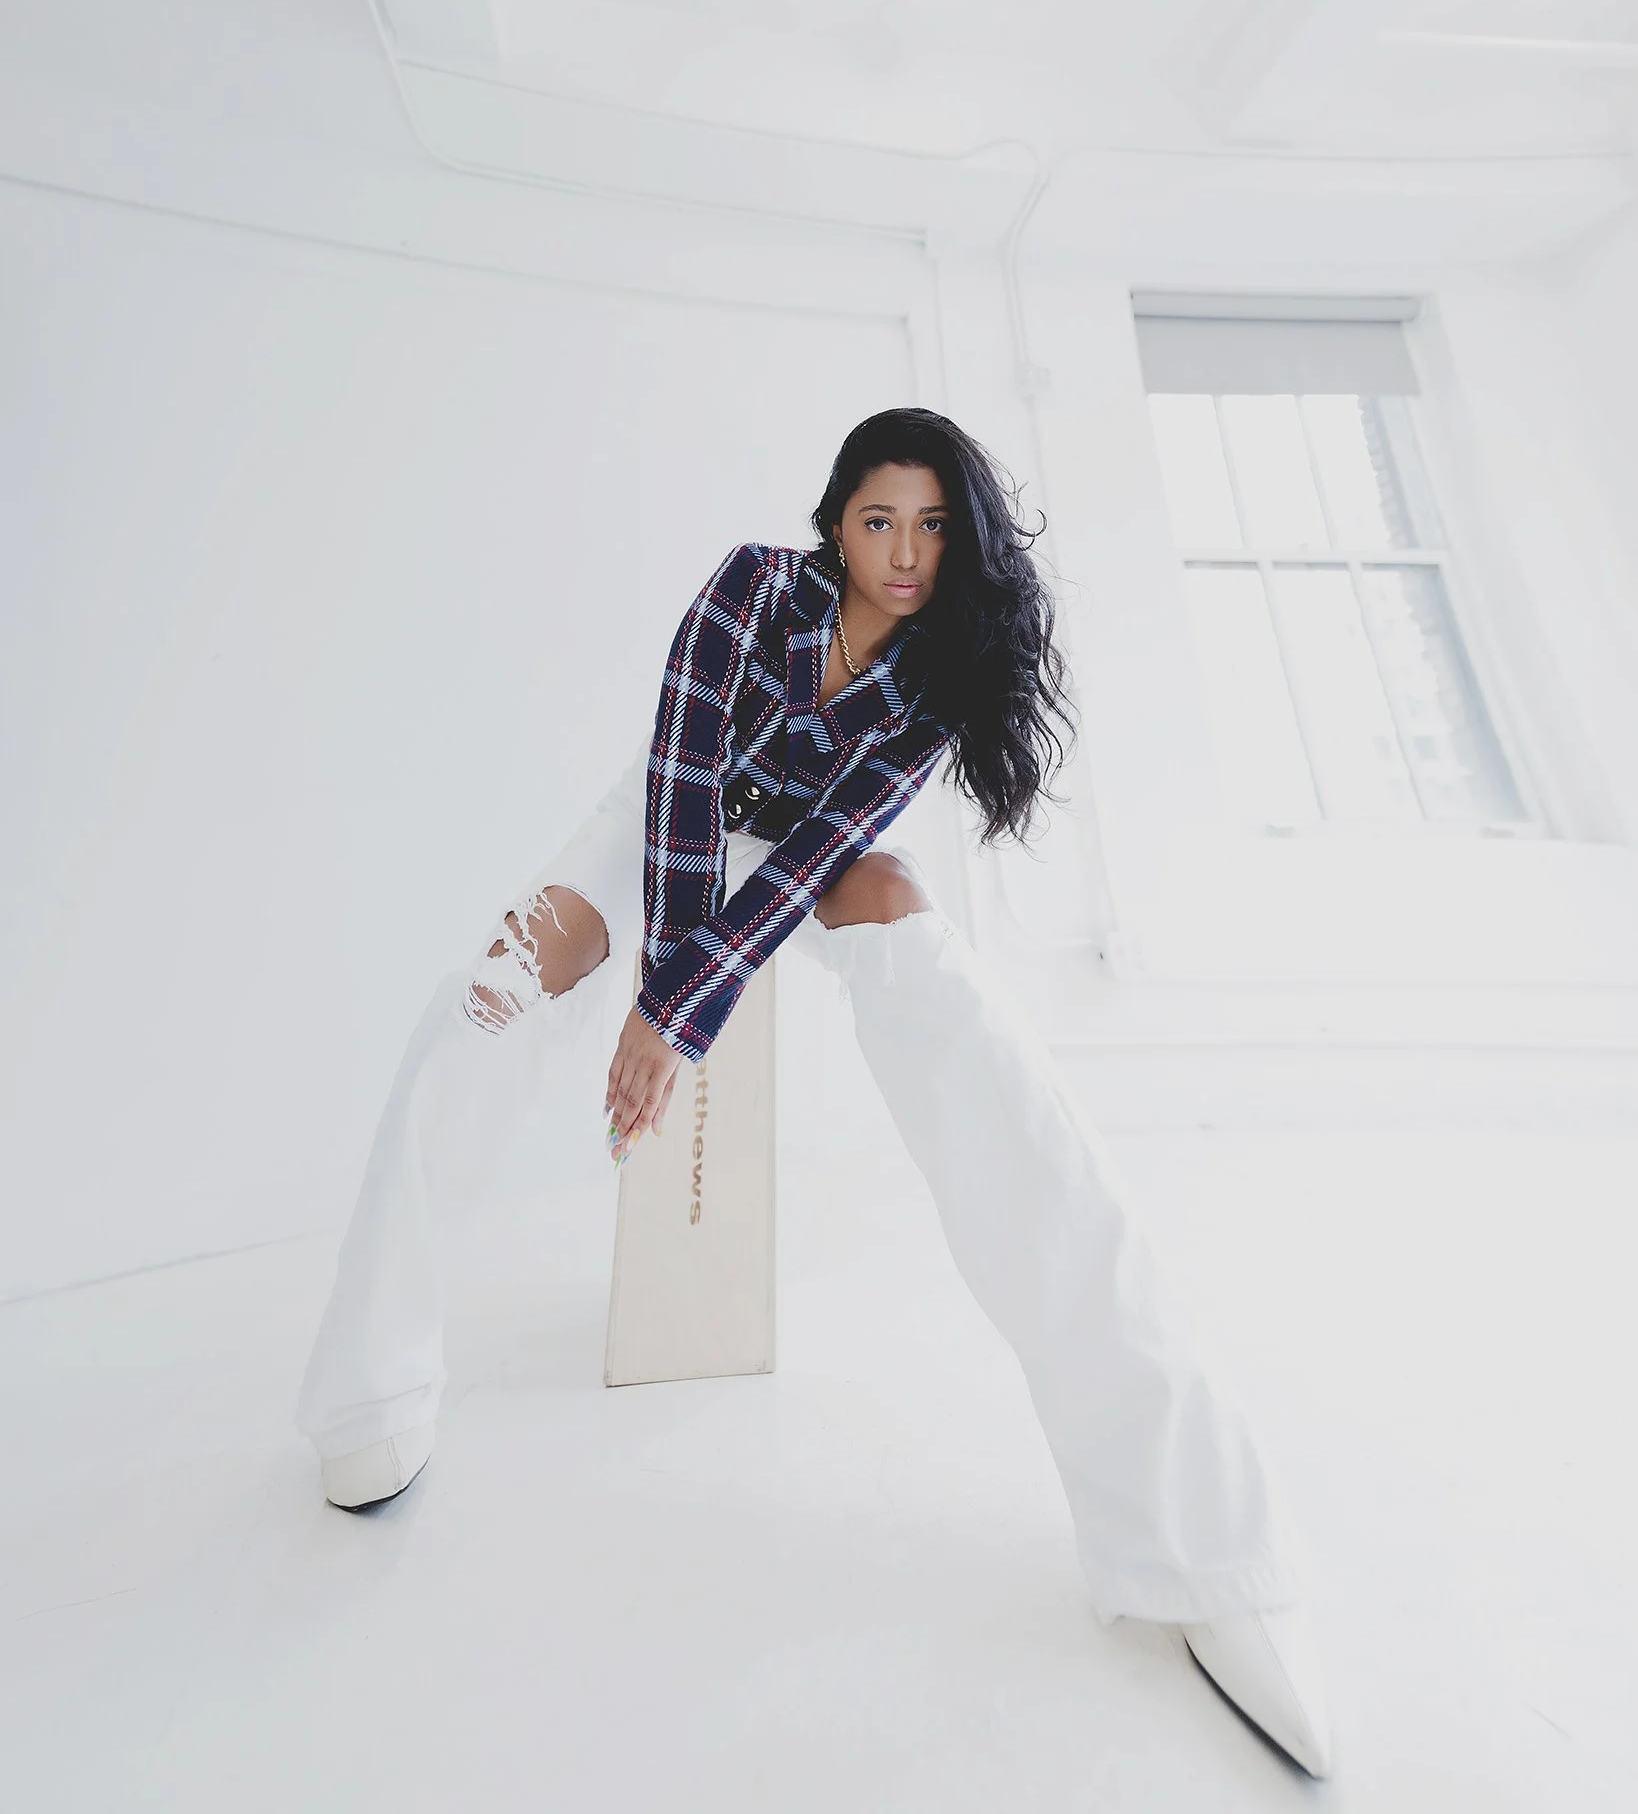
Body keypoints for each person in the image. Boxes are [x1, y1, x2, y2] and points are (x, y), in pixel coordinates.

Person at [294, 408, 1333, 1778]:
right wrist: (663, 992)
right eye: (878, 520)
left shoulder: (933, 684)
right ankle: (370, 1393)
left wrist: (679, 1015)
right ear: (835, 521)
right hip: (669, 821)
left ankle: (1205, 1550)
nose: (905, 554)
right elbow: (679, 786)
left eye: (933, 527)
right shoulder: (748, 589)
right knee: (479, 1005)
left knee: (960, 1009)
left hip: (799, 860)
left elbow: (812, 856)